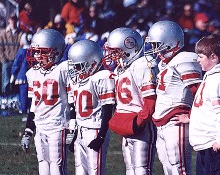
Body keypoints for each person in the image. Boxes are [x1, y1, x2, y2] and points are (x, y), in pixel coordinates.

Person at [145, 20, 202, 175]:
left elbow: (200, 92)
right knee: (168, 168)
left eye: (158, 45)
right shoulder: (165, 64)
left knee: (179, 169)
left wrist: (191, 116)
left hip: (176, 120)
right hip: (162, 123)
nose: (155, 50)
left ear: (170, 43)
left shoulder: (185, 59)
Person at [103, 27, 157, 174]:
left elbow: (150, 99)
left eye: (116, 52)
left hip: (141, 124)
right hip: (128, 122)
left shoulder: (142, 65)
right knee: (130, 169)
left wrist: (140, 121)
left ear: (129, 48)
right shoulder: (122, 69)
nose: (112, 56)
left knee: (141, 169)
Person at [20, 29, 70, 175]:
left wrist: (72, 124)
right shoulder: (32, 73)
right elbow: (34, 106)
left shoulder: (63, 69)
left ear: (55, 52)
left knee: (57, 167)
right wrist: (29, 130)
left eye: (41, 52)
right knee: (43, 165)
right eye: (35, 52)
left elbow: (73, 99)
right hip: (41, 125)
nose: (36, 56)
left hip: (57, 125)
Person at [67, 39, 115, 174]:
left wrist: (101, 135)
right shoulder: (77, 81)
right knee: (80, 171)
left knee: (95, 171)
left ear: (93, 63)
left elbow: (107, 109)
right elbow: (75, 110)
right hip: (80, 130)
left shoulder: (102, 77)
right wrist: (74, 132)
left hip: (95, 129)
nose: (76, 70)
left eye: (79, 66)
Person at [189, 34, 220, 175]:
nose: (197, 60)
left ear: (213, 57)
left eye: (201, 56)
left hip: (213, 146)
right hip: (205, 145)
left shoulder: (218, 79)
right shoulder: (210, 77)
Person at [10, 32, 33, 116]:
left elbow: (17, 63)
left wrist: (13, 73)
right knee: (30, 93)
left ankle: (23, 108)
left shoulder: (21, 51)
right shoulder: (33, 51)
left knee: (23, 93)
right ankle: (30, 108)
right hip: (32, 76)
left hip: (22, 75)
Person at [0, 14, 23, 96]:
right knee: (6, 77)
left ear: (17, 21)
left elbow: (22, 47)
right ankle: (6, 95)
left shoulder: (21, 33)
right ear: (9, 20)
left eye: (14, 19)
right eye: (11, 19)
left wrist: (19, 60)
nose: (13, 21)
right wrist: (4, 60)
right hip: (7, 61)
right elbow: (1, 49)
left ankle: (16, 96)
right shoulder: (3, 34)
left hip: (17, 61)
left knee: (17, 79)